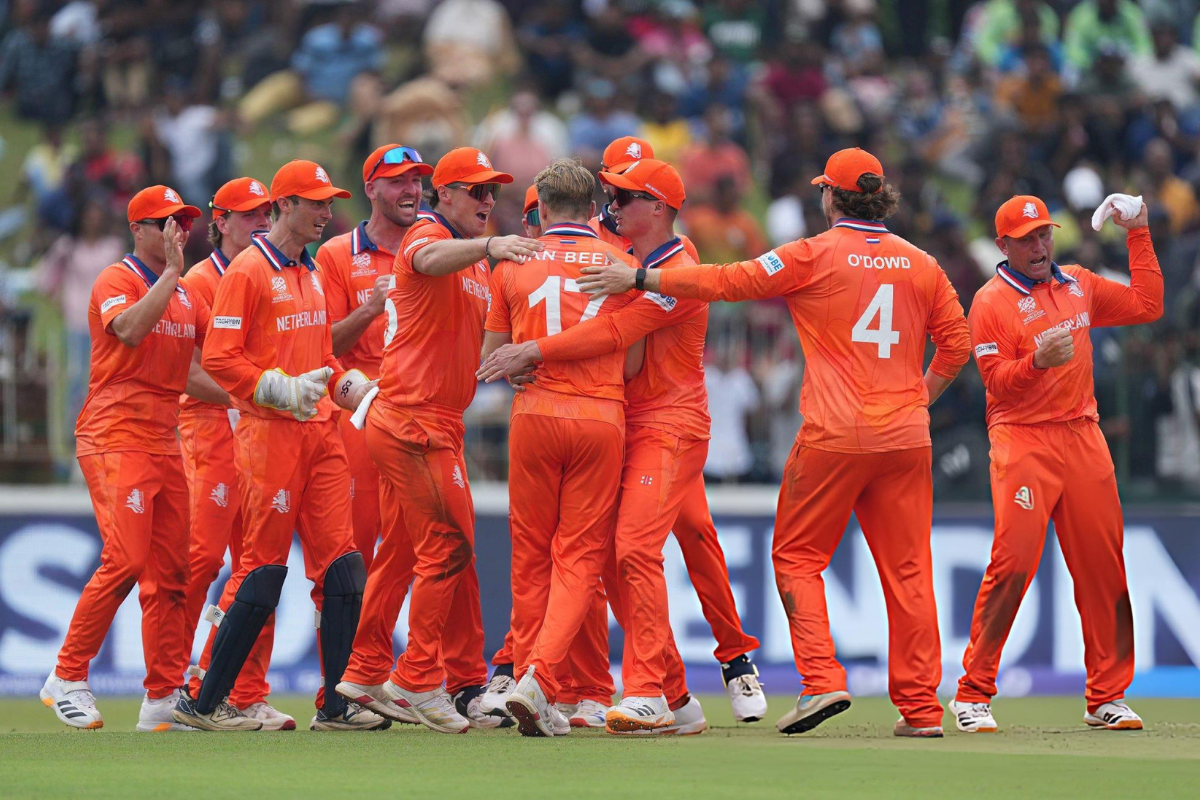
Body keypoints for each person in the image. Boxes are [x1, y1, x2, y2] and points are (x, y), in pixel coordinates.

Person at [572, 148, 972, 737]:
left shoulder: (813, 253)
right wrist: (916, 400)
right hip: (906, 436)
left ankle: (822, 679)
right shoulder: (923, 263)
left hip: (834, 433)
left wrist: (641, 277)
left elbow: (729, 281)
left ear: (831, 197)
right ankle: (919, 710)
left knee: (797, 558)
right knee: (909, 571)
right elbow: (958, 344)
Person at [478, 159, 768, 732]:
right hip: (617, 421)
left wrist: (532, 352)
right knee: (609, 558)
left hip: (668, 425)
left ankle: (715, 668)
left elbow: (616, 335)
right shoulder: (623, 263)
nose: (615, 205)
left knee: (655, 544)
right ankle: (672, 697)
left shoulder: (675, 271)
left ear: (658, 207)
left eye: (627, 197)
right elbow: (621, 349)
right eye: (610, 195)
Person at [333, 147, 540, 734]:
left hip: (430, 419)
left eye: (492, 191)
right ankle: (418, 680)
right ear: (443, 194)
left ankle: (365, 670)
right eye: (476, 190)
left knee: (403, 553)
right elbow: (425, 258)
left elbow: (472, 342)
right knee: (450, 548)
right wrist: (492, 245)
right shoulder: (429, 235)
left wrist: (512, 361)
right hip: (414, 421)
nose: (487, 200)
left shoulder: (473, 263)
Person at [174, 160, 383, 732]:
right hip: (269, 436)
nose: (326, 212)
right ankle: (203, 701)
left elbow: (323, 358)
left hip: (321, 435)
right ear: (283, 207)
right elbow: (220, 358)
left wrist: (359, 392)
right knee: (262, 571)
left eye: (329, 203)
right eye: (315, 202)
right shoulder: (248, 269)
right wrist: (275, 388)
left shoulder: (309, 271)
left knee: (343, 570)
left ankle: (335, 705)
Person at [949, 194, 1162, 734]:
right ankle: (972, 694)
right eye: (1027, 240)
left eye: (1044, 234)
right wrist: (1036, 363)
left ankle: (1106, 696)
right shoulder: (990, 302)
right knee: (1013, 563)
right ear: (1004, 245)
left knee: (1103, 567)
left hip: (1083, 435)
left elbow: (1147, 305)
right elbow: (995, 385)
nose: (1040, 246)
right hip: (1022, 439)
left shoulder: (1079, 285)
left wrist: (1138, 231)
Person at [39, 185, 206, 732]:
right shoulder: (118, 278)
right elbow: (130, 330)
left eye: (183, 221)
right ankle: (66, 676)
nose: (177, 231)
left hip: (163, 439)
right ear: (137, 229)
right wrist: (172, 274)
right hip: (114, 434)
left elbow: (202, 370)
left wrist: (261, 394)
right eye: (165, 223)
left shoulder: (186, 294)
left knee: (173, 572)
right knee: (127, 560)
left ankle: (162, 696)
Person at [480, 158, 637, 737]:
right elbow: (634, 361)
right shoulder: (622, 265)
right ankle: (541, 680)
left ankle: (528, 675)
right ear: (593, 209)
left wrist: (529, 360)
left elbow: (495, 356)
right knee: (580, 558)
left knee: (530, 556)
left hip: (534, 416)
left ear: (541, 209)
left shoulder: (511, 265)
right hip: (599, 416)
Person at [177, 176, 292, 731]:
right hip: (212, 425)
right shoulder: (199, 281)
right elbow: (184, 369)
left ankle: (245, 691)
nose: (262, 222)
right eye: (248, 215)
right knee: (201, 559)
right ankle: (171, 682)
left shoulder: (275, 271)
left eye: (266, 212)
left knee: (259, 561)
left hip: (261, 427)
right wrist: (255, 394)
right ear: (219, 223)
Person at [316, 146, 433, 568]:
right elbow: (322, 347)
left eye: (416, 180)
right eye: (398, 181)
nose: (411, 190)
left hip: (424, 413)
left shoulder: (435, 250)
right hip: (359, 414)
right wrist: (370, 309)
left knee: (431, 550)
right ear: (370, 189)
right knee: (355, 545)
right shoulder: (335, 254)